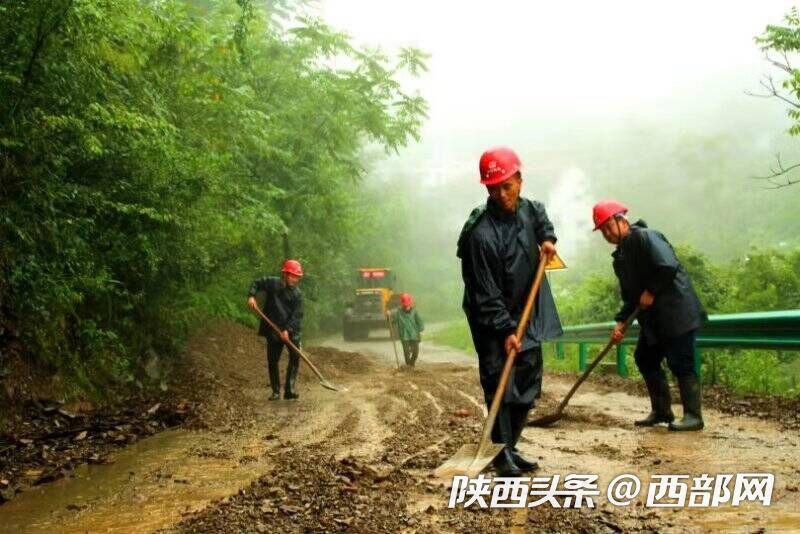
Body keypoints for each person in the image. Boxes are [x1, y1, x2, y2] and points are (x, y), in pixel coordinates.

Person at [457, 147, 563, 476]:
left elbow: (541, 216)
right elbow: (485, 295)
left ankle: (510, 445)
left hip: (526, 311)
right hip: (491, 321)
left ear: (519, 179)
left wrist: (547, 238)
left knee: (528, 381)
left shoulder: (529, 210)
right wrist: (506, 331)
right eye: (493, 188)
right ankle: (500, 456)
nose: (501, 194)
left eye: (507, 185)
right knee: (499, 385)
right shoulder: (481, 235)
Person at [592, 200, 706, 431]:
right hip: (655, 321)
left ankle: (694, 416)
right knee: (645, 357)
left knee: (681, 362)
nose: (606, 233)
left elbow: (667, 265)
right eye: (602, 230)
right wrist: (621, 321)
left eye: (608, 226)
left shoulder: (645, 237)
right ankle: (662, 411)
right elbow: (631, 297)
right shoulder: (620, 258)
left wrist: (652, 290)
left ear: (621, 220)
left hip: (676, 312)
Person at [247, 259, 304, 401]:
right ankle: (276, 391)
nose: (294, 279)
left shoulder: (297, 294)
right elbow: (257, 283)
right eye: (292, 275)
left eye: (297, 277)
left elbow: (297, 315)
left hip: (291, 329)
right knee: (272, 360)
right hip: (273, 328)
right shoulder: (272, 283)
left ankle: (289, 390)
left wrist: (287, 330)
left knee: (295, 357)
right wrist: (251, 296)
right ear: (284, 274)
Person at [392, 293, 424, 367]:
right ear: (402, 304)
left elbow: (419, 321)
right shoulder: (398, 312)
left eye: (408, 304)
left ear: (410, 303)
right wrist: (388, 318)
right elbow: (393, 321)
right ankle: (408, 366)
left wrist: (420, 329)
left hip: (414, 334)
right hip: (404, 335)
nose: (406, 306)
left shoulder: (414, 312)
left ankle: (412, 363)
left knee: (415, 352)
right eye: (405, 305)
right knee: (406, 352)